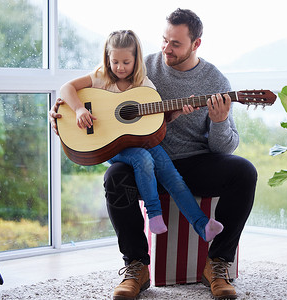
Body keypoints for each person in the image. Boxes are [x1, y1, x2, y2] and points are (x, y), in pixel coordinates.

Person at [49, 9, 257, 300]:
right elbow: (97, 91)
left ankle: (218, 263)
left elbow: (224, 148)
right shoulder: (141, 66)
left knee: (244, 171)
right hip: (143, 159)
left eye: (175, 44)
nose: (166, 49)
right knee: (115, 177)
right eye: (164, 40)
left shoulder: (215, 81)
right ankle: (136, 266)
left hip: (194, 162)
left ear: (196, 44)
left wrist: (220, 120)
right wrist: (67, 114)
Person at [59, 30, 224, 241]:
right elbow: (67, 88)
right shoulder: (100, 77)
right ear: (107, 58)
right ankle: (154, 214)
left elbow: (156, 121)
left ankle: (203, 225)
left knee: (173, 176)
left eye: (126, 62)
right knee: (142, 158)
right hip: (110, 145)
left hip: (140, 141)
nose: (119, 67)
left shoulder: (144, 86)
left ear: (136, 60)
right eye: (114, 61)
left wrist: (178, 112)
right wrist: (80, 109)